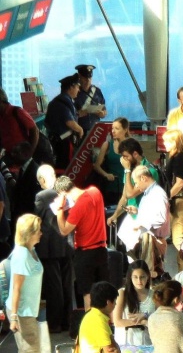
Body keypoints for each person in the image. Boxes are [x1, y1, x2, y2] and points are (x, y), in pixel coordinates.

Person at [0, 214, 43, 353]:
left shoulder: (30, 250)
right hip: (22, 312)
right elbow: (16, 288)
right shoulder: (22, 255)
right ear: (29, 233)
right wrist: (14, 317)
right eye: (38, 230)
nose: (41, 233)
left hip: (28, 310)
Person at [54, 174, 108, 310]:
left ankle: (89, 326)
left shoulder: (78, 207)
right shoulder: (95, 191)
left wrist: (60, 209)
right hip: (101, 249)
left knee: (87, 292)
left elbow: (64, 230)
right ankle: (108, 324)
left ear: (63, 193)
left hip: (85, 254)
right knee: (103, 291)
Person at [34, 164, 73, 334]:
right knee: (66, 284)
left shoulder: (41, 196)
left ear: (42, 180)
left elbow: (37, 219)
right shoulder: (65, 193)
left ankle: (55, 322)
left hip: (49, 248)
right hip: (67, 244)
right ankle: (67, 321)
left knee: (53, 286)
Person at [127, 165, 170, 279]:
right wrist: (138, 211)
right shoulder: (149, 193)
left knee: (150, 276)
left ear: (143, 178)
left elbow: (160, 218)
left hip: (154, 241)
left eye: (136, 182)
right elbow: (152, 213)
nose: (136, 186)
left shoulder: (158, 194)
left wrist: (141, 223)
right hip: (148, 240)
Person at [162, 128, 183, 269]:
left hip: (180, 201)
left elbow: (180, 182)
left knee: (178, 239)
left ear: (174, 142)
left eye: (167, 141)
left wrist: (166, 197)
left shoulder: (179, 158)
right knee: (177, 238)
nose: (164, 143)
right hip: (178, 200)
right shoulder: (176, 157)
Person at [114, 260, 155, 346]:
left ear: (148, 276)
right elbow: (117, 322)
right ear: (130, 278)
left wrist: (146, 316)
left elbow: (159, 319)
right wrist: (143, 321)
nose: (139, 280)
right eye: (135, 277)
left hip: (148, 344)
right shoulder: (122, 293)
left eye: (142, 277)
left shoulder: (154, 294)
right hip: (126, 345)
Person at [45, 75, 83, 168]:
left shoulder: (63, 101)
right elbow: (69, 122)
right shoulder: (62, 103)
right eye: (77, 87)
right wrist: (80, 130)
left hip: (60, 141)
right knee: (66, 166)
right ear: (71, 87)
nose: (79, 90)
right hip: (63, 142)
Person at [93, 116, 130, 207]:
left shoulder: (132, 145)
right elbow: (96, 166)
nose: (113, 131)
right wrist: (106, 174)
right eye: (112, 128)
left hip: (127, 188)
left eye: (117, 128)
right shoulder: (107, 145)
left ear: (125, 130)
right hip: (111, 189)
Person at [8, 142, 40, 230]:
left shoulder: (35, 172)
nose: (12, 155)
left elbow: (32, 199)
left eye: (16, 153)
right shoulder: (24, 169)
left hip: (26, 221)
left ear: (25, 154)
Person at [0, 88, 39, 158]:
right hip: (9, 155)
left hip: (23, 155)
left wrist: (30, 153)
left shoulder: (17, 111)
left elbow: (34, 131)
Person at [75, 64, 106, 135]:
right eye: (85, 78)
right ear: (79, 77)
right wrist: (79, 113)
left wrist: (102, 114)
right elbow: (68, 114)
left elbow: (104, 109)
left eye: (90, 78)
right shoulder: (74, 92)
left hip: (96, 132)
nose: (88, 80)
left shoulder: (97, 91)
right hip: (80, 132)